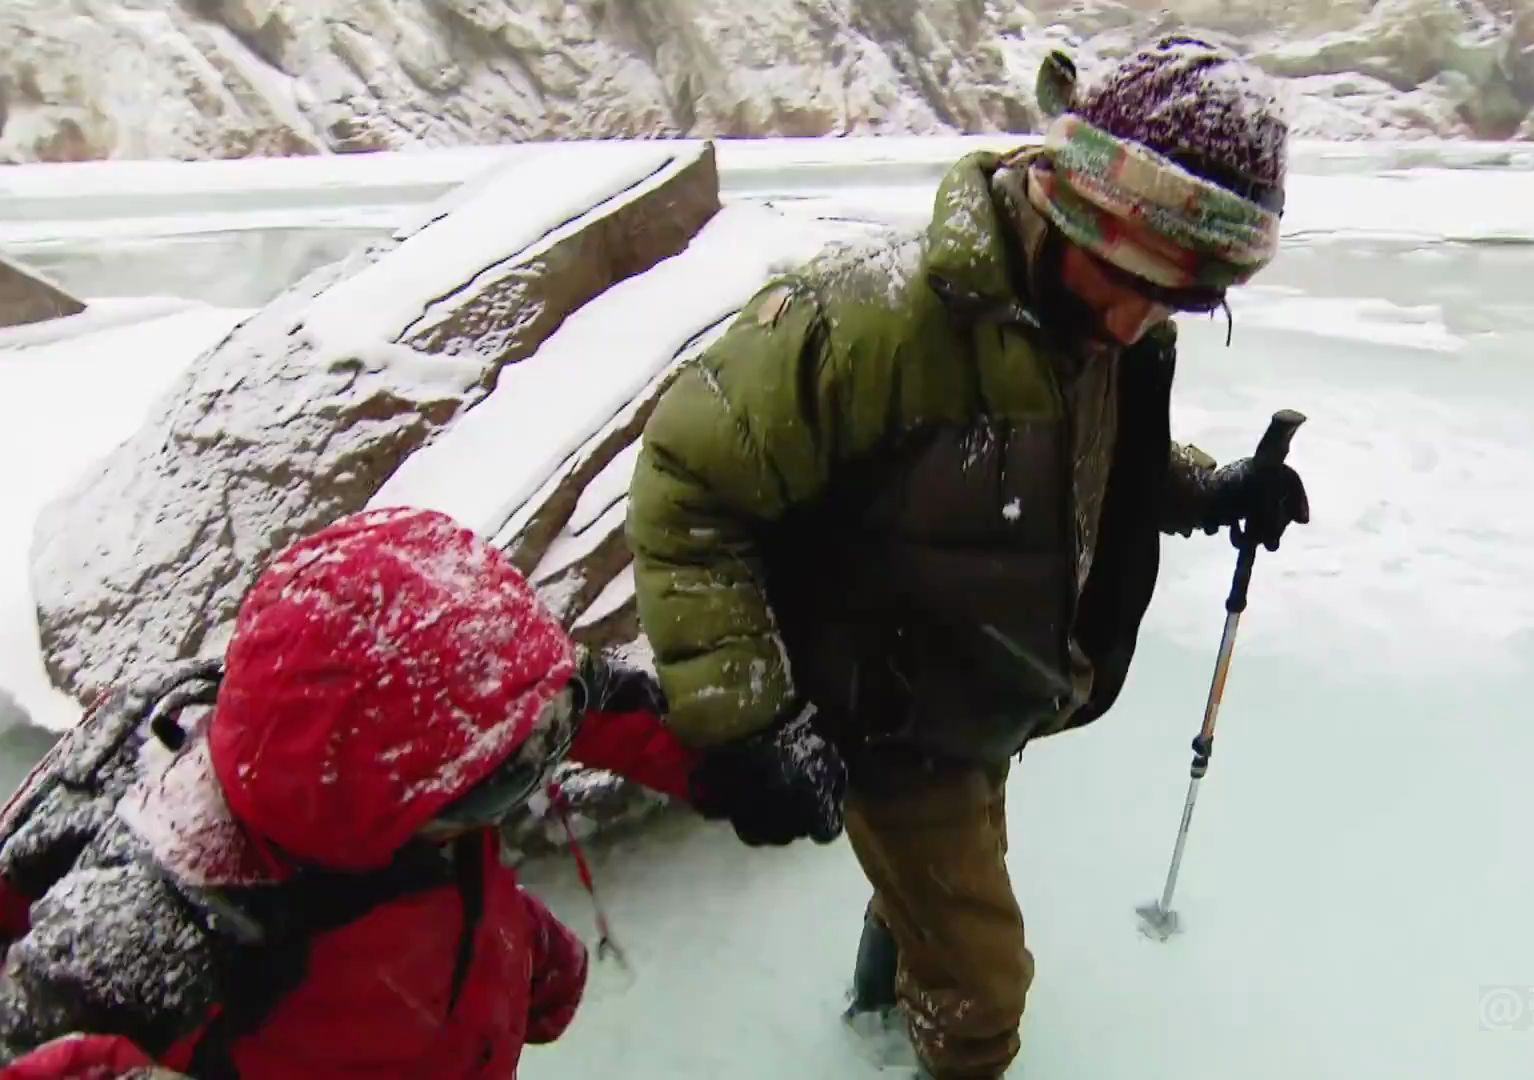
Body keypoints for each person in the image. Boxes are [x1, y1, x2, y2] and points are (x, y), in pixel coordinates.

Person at [627, 35, 1310, 1079]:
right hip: (893, 711)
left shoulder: (1110, 328)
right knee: (984, 992)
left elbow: (1095, 460)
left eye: (1181, 298)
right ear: (1080, 198)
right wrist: (747, 718)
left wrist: (1209, 489)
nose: (1136, 321)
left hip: (981, 687)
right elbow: (687, 479)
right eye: (1129, 276)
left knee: (931, 900)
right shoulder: (873, 324)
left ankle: (870, 1022)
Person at [0, 507, 693, 1078]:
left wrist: (520, 954)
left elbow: (544, 704)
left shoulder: (375, 783)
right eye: (497, 783)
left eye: (545, 736)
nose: (527, 782)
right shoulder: (171, 928)